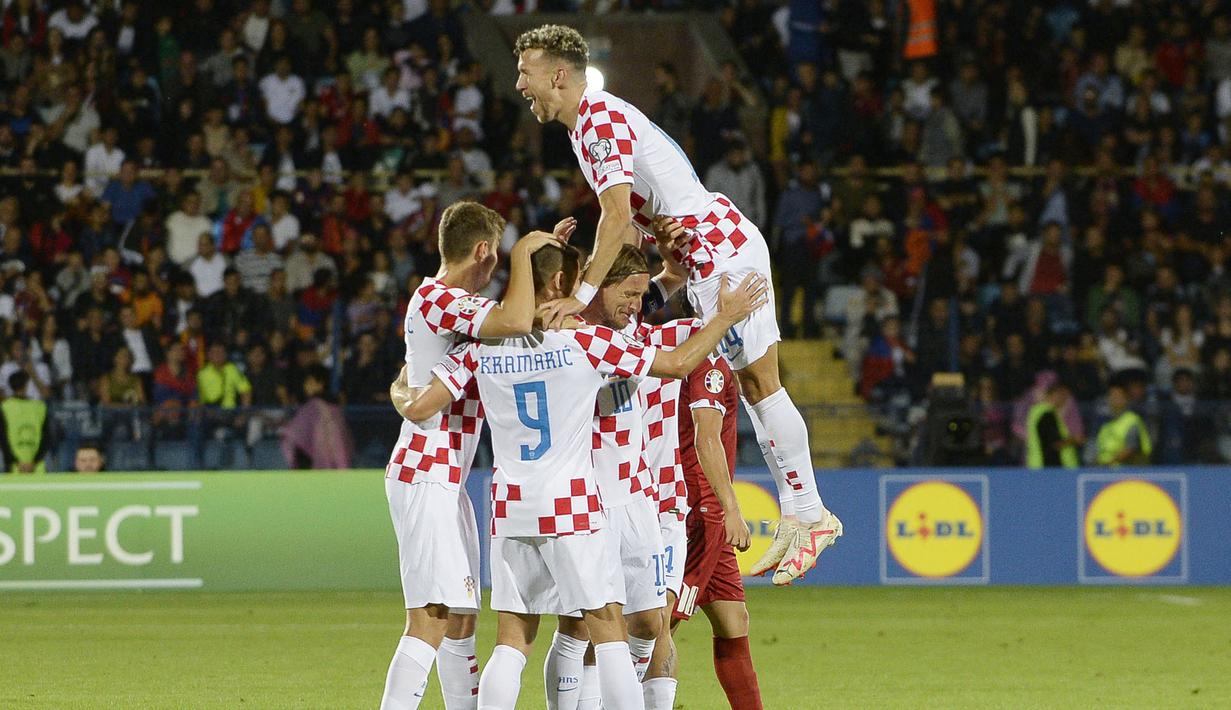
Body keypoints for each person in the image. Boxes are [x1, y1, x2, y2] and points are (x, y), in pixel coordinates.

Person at [513, 24, 840, 585]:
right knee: (757, 389)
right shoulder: (588, 126)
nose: (520, 84)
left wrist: (582, 298)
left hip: (719, 252)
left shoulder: (598, 120)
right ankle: (800, 510)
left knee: (764, 386)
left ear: (557, 75)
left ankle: (809, 512)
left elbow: (617, 219)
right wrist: (650, 283)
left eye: (526, 73)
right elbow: (635, 228)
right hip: (705, 250)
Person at [395, 240, 767, 710]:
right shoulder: (586, 344)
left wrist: (401, 384)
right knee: (607, 629)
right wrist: (726, 316)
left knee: (512, 642)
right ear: (561, 284)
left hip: (509, 507)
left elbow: (421, 402)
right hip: (573, 504)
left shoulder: (479, 347)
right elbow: (676, 363)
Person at [377, 202, 571, 710]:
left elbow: (520, 325)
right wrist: (530, 252)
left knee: (462, 618)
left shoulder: (453, 318)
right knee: (431, 618)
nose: (498, 270)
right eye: (500, 256)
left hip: (449, 479)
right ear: (484, 251)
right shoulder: (440, 298)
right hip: (425, 471)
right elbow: (513, 319)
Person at [670, 351, 763, 709]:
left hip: (707, 511)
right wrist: (731, 509)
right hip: (701, 510)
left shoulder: (697, 353)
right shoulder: (709, 363)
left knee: (733, 621)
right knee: (660, 628)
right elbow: (706, 438)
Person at [0, 371, 50, 473]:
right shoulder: (40, 407)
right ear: (27, 385)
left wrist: (16, 462)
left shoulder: (4, 407)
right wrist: (35, 461)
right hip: (37, 467)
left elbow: (3, 439)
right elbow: (47, 437)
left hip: (13, 467)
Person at [1025, 383, 1082, 469]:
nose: (1065, 399)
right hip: (1048, 469)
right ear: (1055, 394)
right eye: (1063, 395)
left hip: (1040, 466)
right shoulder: (1046, 415)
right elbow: (1055, 443)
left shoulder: (1038, 413)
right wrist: (1075, 440)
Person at [1096, 382, 1153, 467]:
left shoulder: (1132, 420)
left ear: (1126, 399)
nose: (1113, 399)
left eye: (1117, 396)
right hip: (1105, 472)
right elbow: (1099, 450)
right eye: (1111, 396)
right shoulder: (1105, 426)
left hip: (1128, 472)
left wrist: (1108, 463)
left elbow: (1131, 449)